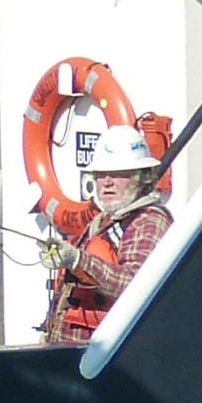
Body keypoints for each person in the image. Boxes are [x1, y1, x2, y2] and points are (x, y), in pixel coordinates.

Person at [46, 124, 172, 344]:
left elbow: (136, 285)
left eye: (118, 174)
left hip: (108, 358)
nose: (107, 182)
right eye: (101, 175)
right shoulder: (102, 221)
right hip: (71, 354)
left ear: (141, 178)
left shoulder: (149, 222)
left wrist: (77, 260)